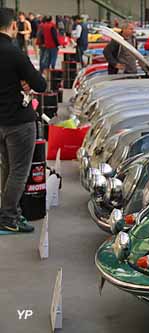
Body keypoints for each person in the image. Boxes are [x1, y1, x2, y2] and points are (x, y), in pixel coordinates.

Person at [0, 7, 47, 232]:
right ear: (13, 27)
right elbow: (40, 85)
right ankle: (9, 216)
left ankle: (5, 211)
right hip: (18, 121)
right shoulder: (15, 53)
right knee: (19, 170)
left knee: (7, 169)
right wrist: (23, 81)